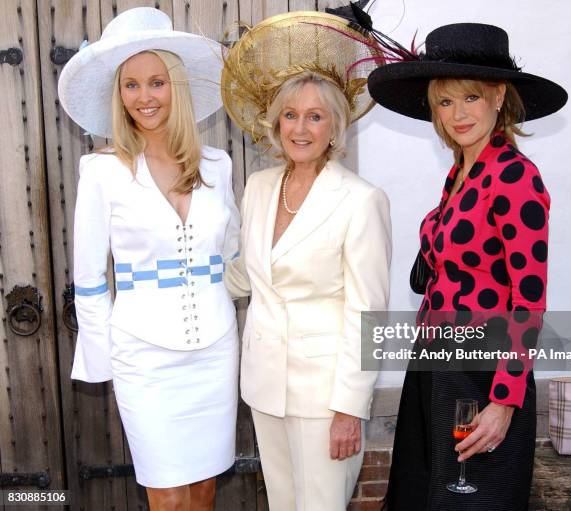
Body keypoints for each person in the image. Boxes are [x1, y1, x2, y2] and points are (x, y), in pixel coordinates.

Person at [367, 23, 567, 511]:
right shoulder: (459, 174)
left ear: (499, 96)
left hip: (484, 375)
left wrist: (503, 402)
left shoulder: (516, 177)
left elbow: (528, 301)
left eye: (470, 98)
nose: (457, 115)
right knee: (421, 497)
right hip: (434, 365)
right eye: (444, 102)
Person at [58, 8, 239, 510]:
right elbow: (90, 277)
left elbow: (234, 256)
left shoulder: (218, 167)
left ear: (175, 86)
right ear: (118, 94)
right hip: (144, 356)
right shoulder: (101, 172)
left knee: (203, 491)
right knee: (168, 497)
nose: (144, 97)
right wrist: (104, 355)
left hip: (216, 350)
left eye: (156, 82)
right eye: (131, 85)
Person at [220, 12, 392, 511]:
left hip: (324, 399)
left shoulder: (361, 200)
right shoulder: (258, 187)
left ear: (335, 126)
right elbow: (244, 275)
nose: (301, 127)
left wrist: (348, 410)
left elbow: (369, 316)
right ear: (275, 122)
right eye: (291, 114)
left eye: (315, 116)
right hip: (264, 387)